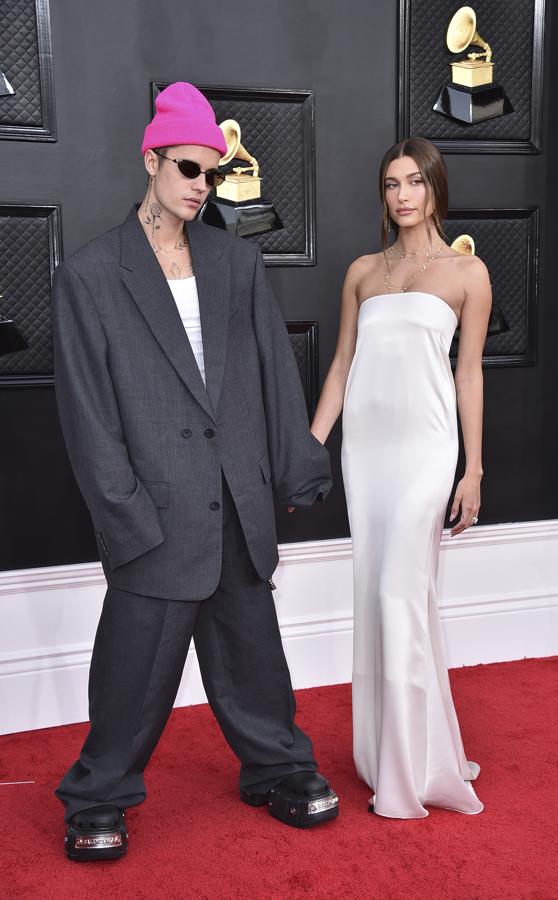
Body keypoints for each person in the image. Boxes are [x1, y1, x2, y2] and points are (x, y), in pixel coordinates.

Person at [52, 82, 338, 861]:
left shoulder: (236, 262)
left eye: (211, 173)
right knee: (132, 678)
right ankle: (97, 797)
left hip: (236, 499)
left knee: (255, 659)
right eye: (186, 168)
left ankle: (278, 770)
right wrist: (125, 514)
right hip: (153, 509)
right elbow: (87, 411)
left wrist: (293, 473)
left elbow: (275, 375)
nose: (200, 186)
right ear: (150, 160)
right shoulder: (92, 275)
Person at [311, 136, 490, 818]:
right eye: (392, 184)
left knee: (398, 591)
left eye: (415, 181)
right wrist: (312, 446)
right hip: (368, 452)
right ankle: (401, 744)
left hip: (426, 449)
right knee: (385, 594)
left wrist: (473, 468)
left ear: (435, 187)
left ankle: (410, 773)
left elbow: (468, 374)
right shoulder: (363, 271)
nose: (404, 194)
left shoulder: (467, 273)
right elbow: (340, 367)